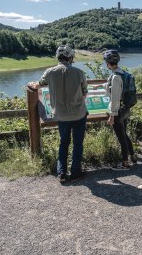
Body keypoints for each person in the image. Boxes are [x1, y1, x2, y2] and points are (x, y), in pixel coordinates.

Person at [28, 45, 88, 182]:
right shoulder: (79, 72)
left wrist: (32, 85)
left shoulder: (50, 72)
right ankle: (75, 171)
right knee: (78, 143)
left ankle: (61, 172)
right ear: (71, 57)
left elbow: (38, 85)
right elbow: (85, 93)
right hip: (78, 114)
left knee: (63, 142)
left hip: (60, 115)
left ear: (58, 57)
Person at [96, 50, 137, 170]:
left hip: (118, 111)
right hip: (126, 109)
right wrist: (102, 85)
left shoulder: (115, 77)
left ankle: (125, 162)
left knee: (121, 137)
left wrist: (112, 116)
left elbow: (115, 97)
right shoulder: (122, 73)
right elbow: (115, 88)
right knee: (124, 134)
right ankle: (132, 156)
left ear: (108, 63)